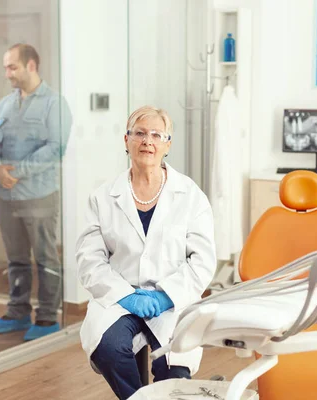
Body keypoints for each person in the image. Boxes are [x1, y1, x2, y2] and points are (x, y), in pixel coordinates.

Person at [76, 106, 217, 399]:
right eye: (139, 133)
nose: (147, 141)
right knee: (109, 348)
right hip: (119, 298)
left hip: (171, 302)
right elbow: (90, 260)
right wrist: (126, 295)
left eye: (156, 135)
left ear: (168, 144)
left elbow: (202, 262)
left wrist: (166, 295)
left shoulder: (190, 195)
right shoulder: (103, 197)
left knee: (174, 368)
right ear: (126, 140)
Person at [0, 44, 72, 341]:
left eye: (12, 67)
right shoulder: (5, 105)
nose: (7, 72)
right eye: (6, 67)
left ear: (31, 66)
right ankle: (18, 313)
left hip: (38, 195)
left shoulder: (54, 103)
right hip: (5, 196)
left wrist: (16, 172)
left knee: (46, 257)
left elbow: (55, 149)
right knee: (16, 258)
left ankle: (47, 319)